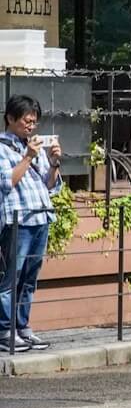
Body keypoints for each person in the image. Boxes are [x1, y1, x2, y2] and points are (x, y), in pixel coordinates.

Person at [0, 95, 58, 353]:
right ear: (11, 118)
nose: (31, 125)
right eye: (26, 119)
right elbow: (5, 183)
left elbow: (50, 185)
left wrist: (55, 162)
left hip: (41, 216)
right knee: (11, 277)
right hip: (17, 220)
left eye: (34, 120)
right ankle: (4, 330)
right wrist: (27, 158)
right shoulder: (2, 148)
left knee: (29, 278)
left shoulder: (34, 147)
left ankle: (23, 327)